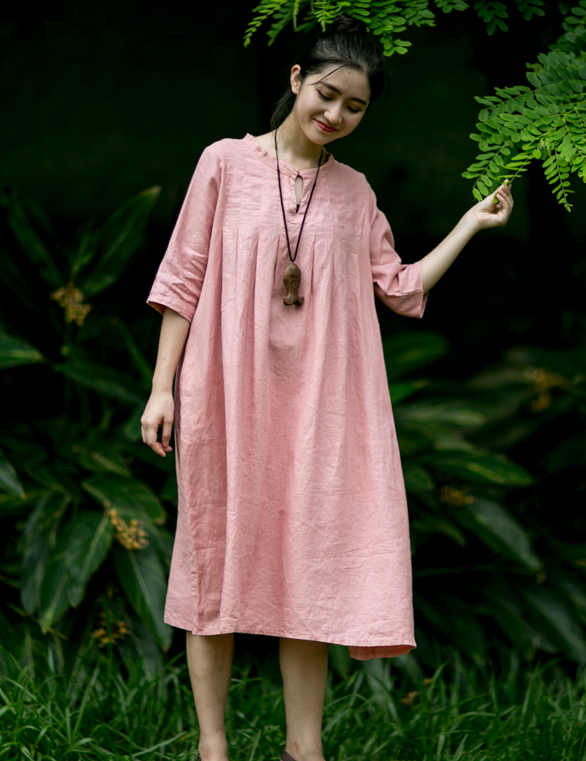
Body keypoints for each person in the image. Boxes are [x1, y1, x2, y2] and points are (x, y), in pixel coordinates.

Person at [140, 15, 513, 761]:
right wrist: (162, 389)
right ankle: (213, 748)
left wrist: (470, 223)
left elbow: (400, 287)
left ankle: (303, 750)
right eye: (327, 94)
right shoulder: (223, 164)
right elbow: (181, 279)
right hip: (227, 398)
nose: (336, 114)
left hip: (319, 412)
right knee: (212, 571)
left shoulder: (354, 192)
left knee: (305, 576)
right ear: (296, 79)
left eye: (355, 106)